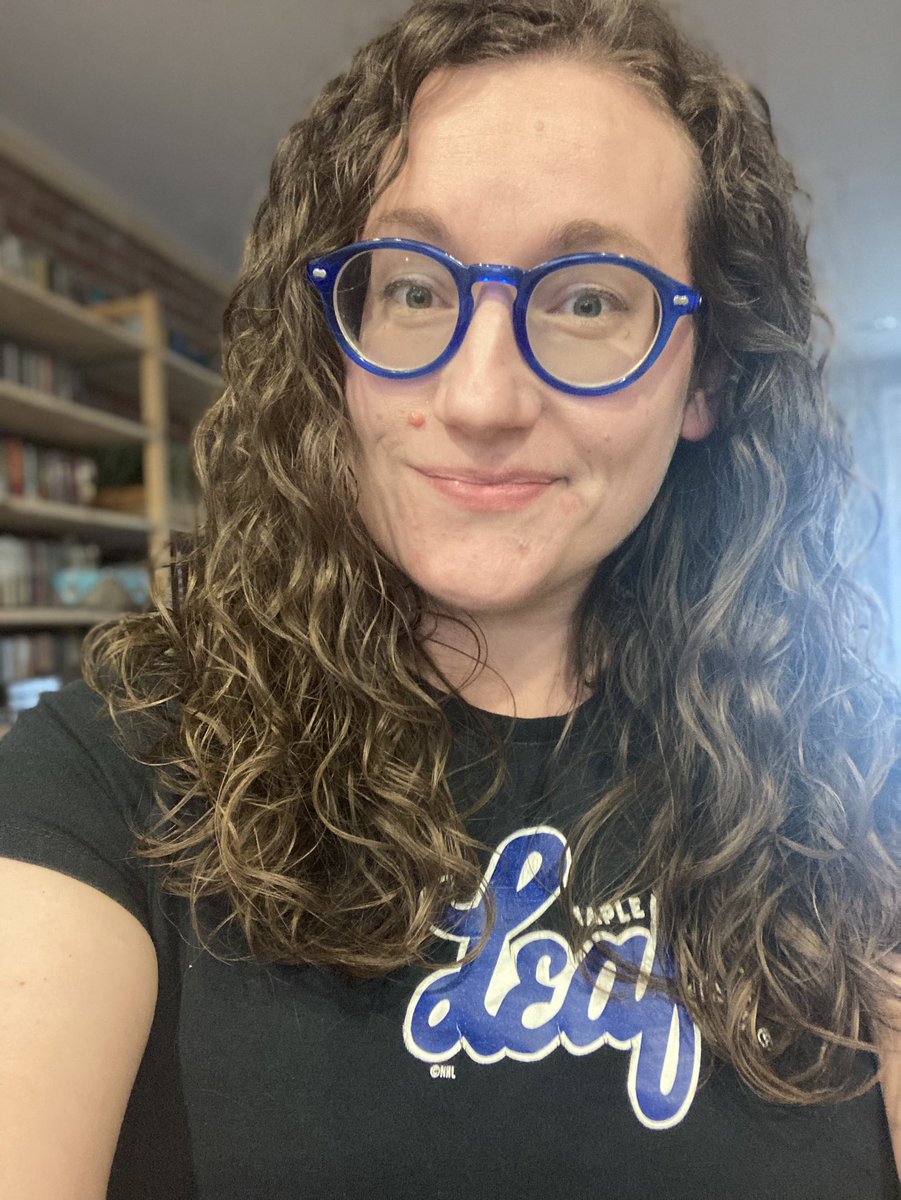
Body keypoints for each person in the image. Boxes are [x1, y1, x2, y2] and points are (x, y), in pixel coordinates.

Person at [1, 0, 900, 1195]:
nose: (479, 398)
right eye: (415, 288)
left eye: (587, 300)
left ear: (707, 373)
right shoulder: (114, 766)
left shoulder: (857, 791)